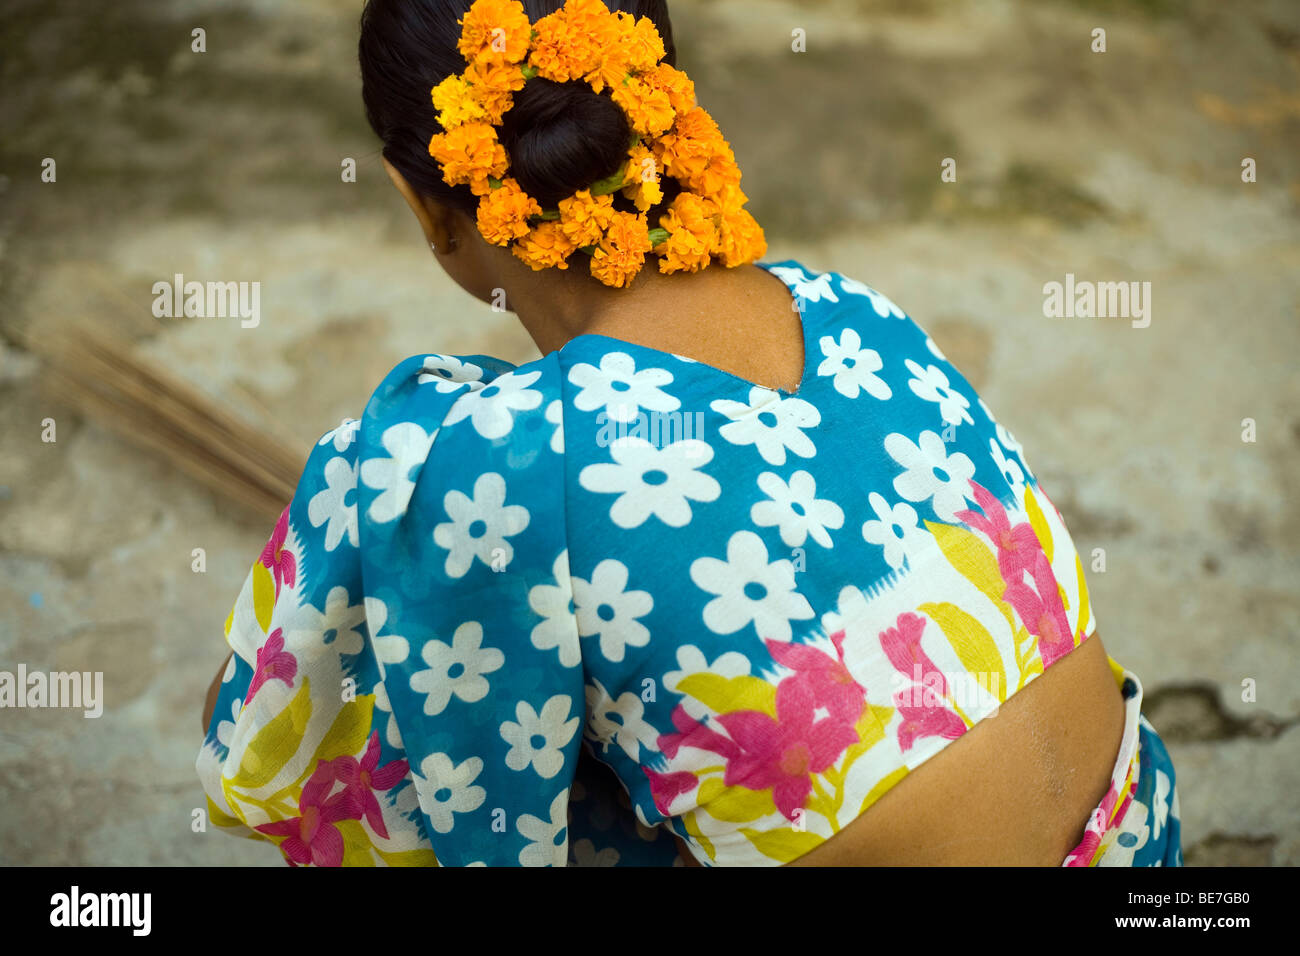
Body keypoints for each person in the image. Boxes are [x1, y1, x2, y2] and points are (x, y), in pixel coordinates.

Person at [197, 0, 1180, 867]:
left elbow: (261, 740)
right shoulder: (852, 310)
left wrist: (365, 533)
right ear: (660, 111)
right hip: (1150, 853)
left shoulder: (501, 457)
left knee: (424, 655)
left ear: (425, 205)